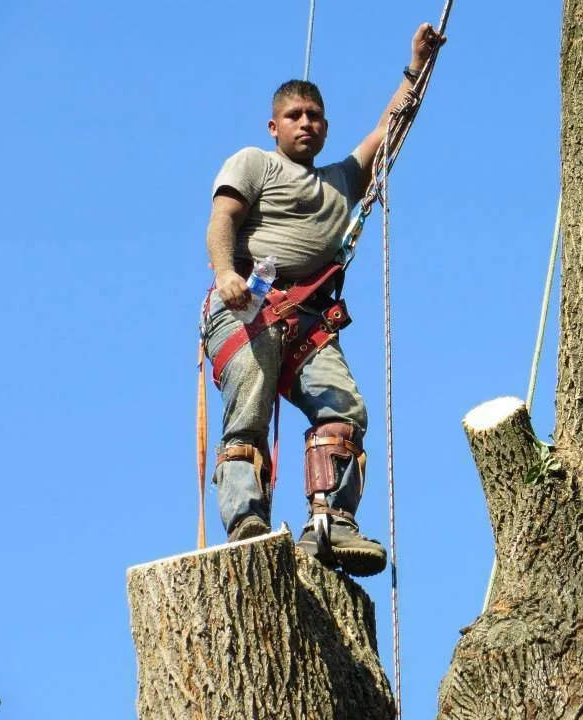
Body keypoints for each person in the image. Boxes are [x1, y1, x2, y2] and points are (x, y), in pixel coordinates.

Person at [200, 23, 441, 577]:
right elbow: (222, 220)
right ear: (274, 125)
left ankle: (330, 524)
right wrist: (224, 273)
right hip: (250, 305)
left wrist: (419, 65)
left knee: (344, 409)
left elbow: (391, 129)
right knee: (250, 408)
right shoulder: (254, 163)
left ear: (326, 127)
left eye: (314, 116)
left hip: (305, 321)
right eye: (294, 116)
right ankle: (247, 523)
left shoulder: (341, 181)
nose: (305, 123)